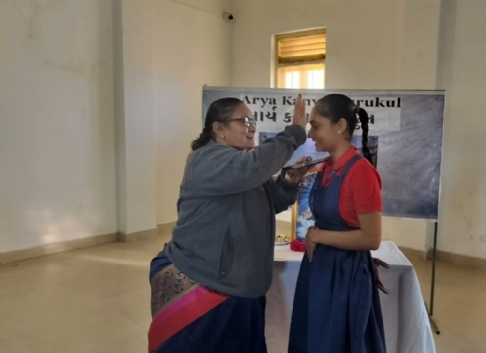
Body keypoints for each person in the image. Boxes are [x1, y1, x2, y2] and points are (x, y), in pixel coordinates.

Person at [148, 95, 308, 353]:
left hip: (239, 285)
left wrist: (287, 182)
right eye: (245, 121)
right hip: (205, 283)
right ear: (219, 129)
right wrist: (294, 133)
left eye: (253, 121)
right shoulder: (206, 159)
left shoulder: (244, 163)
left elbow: (270, 203)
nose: (253, 127)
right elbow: (254, 167)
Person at [288, 94, 387, 353]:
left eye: (316, 125)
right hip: (318, 269)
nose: (310, 134)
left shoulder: (361, 172)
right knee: (312, 338)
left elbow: (371, 238)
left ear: (340, 126)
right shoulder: (326, 167)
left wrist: (318, 235)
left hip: (345, 276)